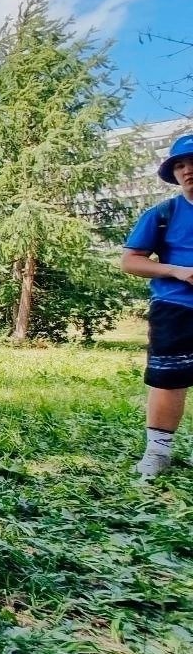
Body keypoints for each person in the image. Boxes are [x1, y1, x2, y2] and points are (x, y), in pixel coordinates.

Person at [121, 134, 193, 478]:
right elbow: (131, 261)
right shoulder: (163, 213)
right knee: (168, 379)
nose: (187, 171)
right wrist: (176, 270)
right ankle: (158, 453)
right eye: (180, 165)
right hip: (174, 306)